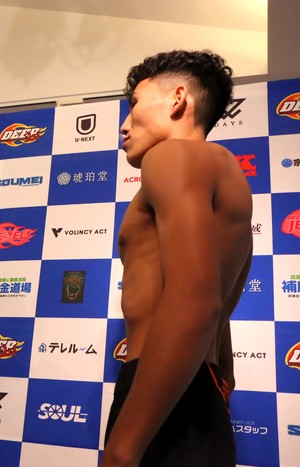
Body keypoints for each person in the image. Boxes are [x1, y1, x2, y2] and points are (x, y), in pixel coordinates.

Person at [101, 50, 253, 466]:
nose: (124, 124)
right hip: (201, 394)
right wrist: (216, 391)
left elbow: (195, 301)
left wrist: (123, 448)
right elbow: (219, 314)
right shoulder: (229, 177)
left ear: (178, 99)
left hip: (161, 396)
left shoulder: (171, 156)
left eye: (134, 103)